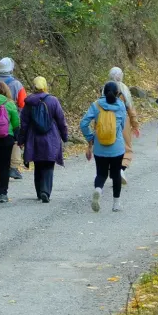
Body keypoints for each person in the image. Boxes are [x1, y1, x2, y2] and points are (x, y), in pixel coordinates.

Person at [18, 76, 69, 203]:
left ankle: (39, 192)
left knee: (38, 165)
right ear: (45, 86)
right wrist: (64, 136)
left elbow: (23, 123)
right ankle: (46, 191)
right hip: (50, 137)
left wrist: (21, 140)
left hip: (34, 137)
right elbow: (61, 120)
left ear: (34, 87)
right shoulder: (53, 101)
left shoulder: (29, 102)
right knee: (48, 164)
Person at [80, 81, 128, 212]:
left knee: (101, 173)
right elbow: (123, 125)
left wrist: (90, 137)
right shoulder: (121, 105)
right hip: (116, 147)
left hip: (100, 148)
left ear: (103, 92)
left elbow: (83, 123)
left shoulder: (96, 105)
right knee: (116, 174)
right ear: (118, 93)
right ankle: (116, 204)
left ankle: (98, 190)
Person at [0, 58, 26, 179]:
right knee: (15, 141)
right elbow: (22, 104)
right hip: (11, 119)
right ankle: (13, 168)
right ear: (11, 69)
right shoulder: (17, 84)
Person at [108, 67, 141, 185]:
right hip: (123, 122)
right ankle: (120, 169)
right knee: (126, 148)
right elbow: (130, 108)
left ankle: (113, 169)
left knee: (111, 146)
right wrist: (135, 125)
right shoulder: (123, 89)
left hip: (107, 121)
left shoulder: (104, 88)